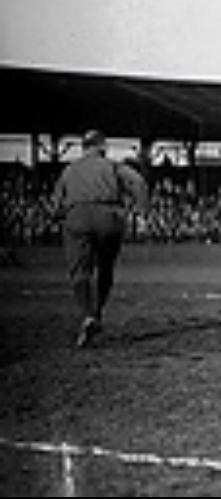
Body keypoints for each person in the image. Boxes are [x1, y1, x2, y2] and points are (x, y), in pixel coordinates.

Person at [51, 129, 150, 347]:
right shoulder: (113, 166)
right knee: (105, 268)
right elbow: (139, 183)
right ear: (102, 147)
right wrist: (140, 213)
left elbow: (57, 203)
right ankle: (97, 312)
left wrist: (60, 216)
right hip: (110, 217)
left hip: (78, 217)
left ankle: (88, 315)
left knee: (79, 271)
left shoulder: (69, 170)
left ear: (83, 147)